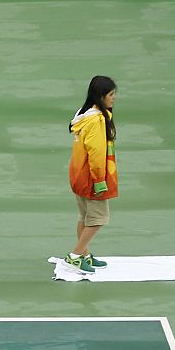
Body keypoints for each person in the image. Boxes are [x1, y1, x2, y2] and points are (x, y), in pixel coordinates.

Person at [67, 76, 118, 272]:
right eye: (111, 95)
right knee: (98, 219)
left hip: (78, 174)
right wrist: (99, 180)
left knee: (85, 217)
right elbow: (96, 152)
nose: (114, 98)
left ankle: (85, 254)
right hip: (92, 176)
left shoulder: (83, 114)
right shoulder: (97, 120)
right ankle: (76, 255)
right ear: (101, 96)